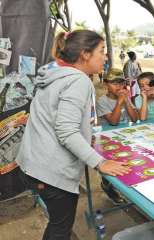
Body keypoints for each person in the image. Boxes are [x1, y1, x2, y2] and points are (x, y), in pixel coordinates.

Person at [16, 30, 130, 240]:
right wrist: (99, 162)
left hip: (31, 163)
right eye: (102, 51)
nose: (105, 57)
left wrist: (85, 136)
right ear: (85, 54)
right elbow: (66, 131)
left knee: (58, 223)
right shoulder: (78, 80)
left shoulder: (54, 72)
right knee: (60, 228)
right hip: (50, 172)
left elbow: (54, 118)